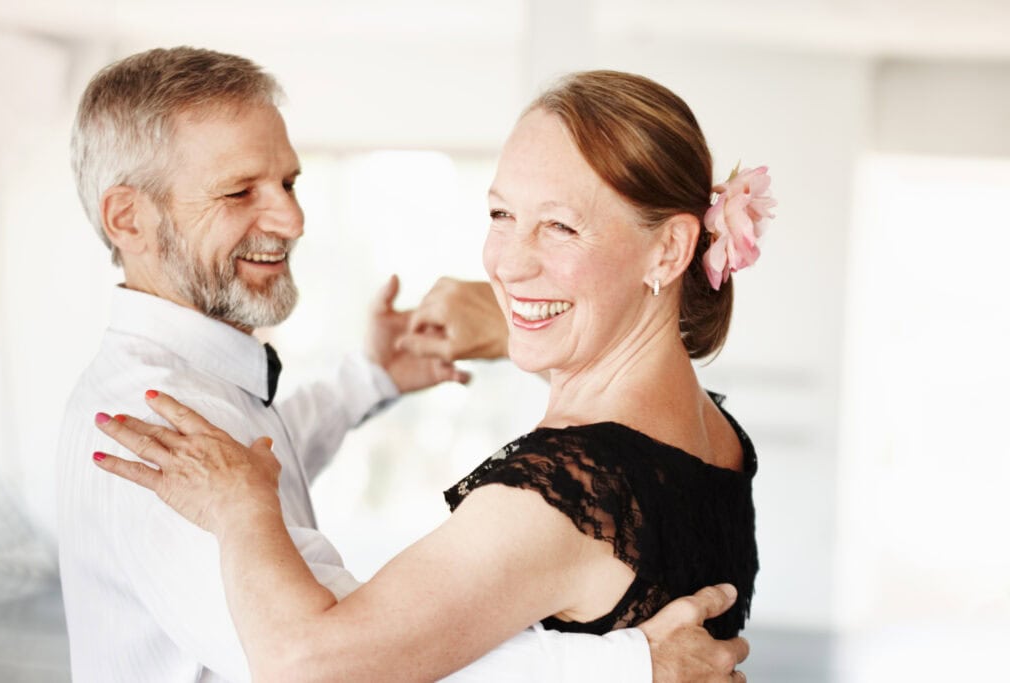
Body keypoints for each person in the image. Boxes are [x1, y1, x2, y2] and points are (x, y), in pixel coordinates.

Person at [59, 47, 748, 683]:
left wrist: (371, 381)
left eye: (290, 181)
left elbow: (265, 461)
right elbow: (326, 658)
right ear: (129, 219)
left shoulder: (573, 487)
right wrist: (624, 668)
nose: (294, 218)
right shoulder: (146, 430)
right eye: (241, 191)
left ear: (669, 252)